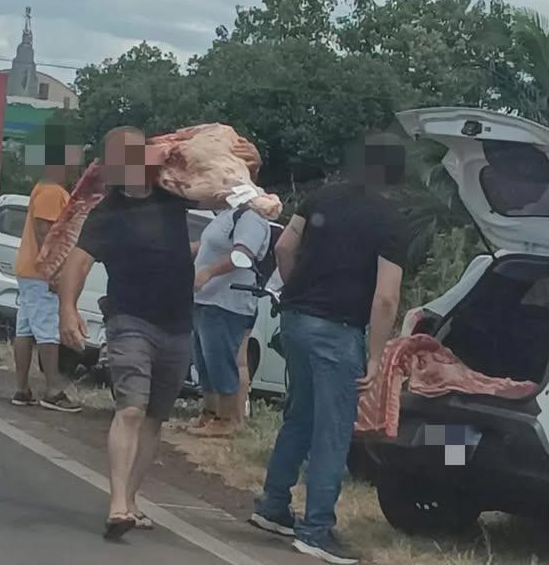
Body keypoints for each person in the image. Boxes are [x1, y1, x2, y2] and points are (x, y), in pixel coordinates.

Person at [58, 126, 261, 540]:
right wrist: (67, 309)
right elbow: (77, 263)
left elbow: (225, 187)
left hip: (177, 321)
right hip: (129, 318)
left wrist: (250, 157)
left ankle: (130, 503)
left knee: (154, 418)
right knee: (131, 408)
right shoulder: (107, 212)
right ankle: (117, 503)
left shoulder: (171, 192)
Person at [250, 159, 409, 565]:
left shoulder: (322, 196)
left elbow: (284, 246)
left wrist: (295, 291)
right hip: (338, 330)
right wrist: (376, 356)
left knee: (300, 417)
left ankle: (273, 505)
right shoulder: (390, 220)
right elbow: (386, 297)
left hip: (296, 320)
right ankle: (316, 529)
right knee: (334, 431)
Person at [189, 206, 270, 437]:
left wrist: (208, 273)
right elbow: (208, 246)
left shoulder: (251, 216)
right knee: (204, 362)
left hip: (228, 301)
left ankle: (227, 419)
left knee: (220, 361)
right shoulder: (226, 214)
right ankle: (210, 412)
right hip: (206, 299)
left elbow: (243, 255)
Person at [11, 160, 82, 413]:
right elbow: (45, 230)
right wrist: (53, 270)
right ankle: (53, 391)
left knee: (27, 328)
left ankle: (22, 389)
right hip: (40, 273)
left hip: (31, 270)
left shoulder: (47, 187)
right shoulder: (51, 190)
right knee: (47, 328)